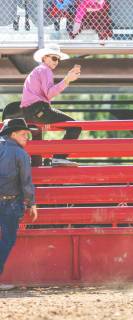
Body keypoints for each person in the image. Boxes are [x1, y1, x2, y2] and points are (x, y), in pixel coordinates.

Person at [21, 44, 81, 167]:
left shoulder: (37, 71)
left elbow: (41, 96)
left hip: (30, 113)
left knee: (37, 145)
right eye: (54, 58)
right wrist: (67, 80)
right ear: (45, 58)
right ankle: (59, 158)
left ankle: (36, 172)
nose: (56, 62)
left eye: (58, 59)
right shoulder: (45, 70)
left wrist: (46, 115)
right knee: (75, 127)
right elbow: (49, 94)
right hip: (39, 110)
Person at [0, 119, 38, 289]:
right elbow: (26, 182)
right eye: (23, 134)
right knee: (8, 239)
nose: (26, 138)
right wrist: (32, 203)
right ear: (13, 134)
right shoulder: (21, 154)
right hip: (10, 203)